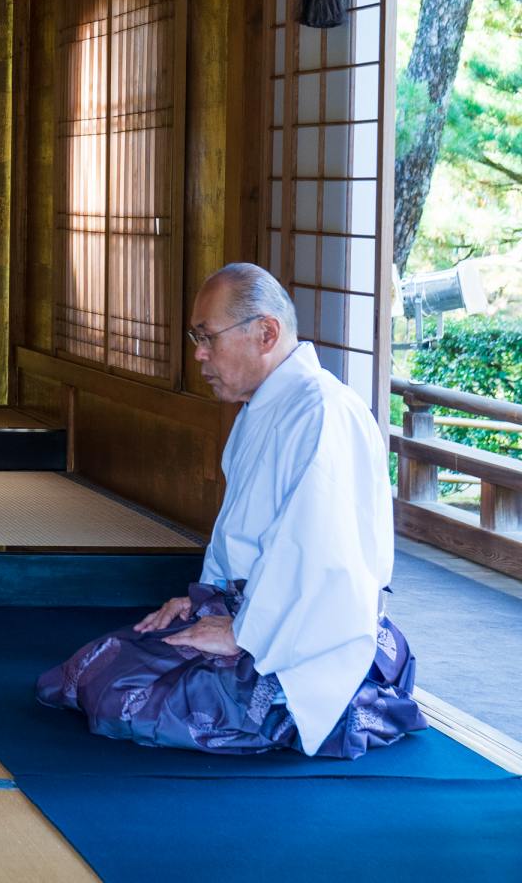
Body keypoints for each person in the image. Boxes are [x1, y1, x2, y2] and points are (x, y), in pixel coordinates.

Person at [36, 262, 426, 757]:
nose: (199, 355)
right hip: (258, 611)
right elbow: (239, 535)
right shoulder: (262, 408)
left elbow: (320, 559)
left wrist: (244, 633)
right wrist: (205, 599)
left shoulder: (324, 413)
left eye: (208, 338)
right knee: (92, 667)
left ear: (266, 333)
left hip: (306, 637)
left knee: (120, 698)